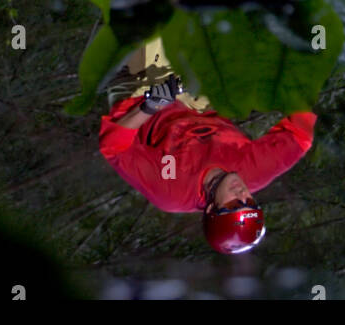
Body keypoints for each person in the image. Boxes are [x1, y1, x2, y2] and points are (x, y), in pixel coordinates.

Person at [99, 39, 316, 254]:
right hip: (198, 100)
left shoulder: (172, 190)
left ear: (212, 208)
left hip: (142, 97)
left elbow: (114, 147)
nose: (242, 194)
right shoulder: (253, 171)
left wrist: (152, 104)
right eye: (250, 202)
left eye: (234, 205)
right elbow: (300, 137)